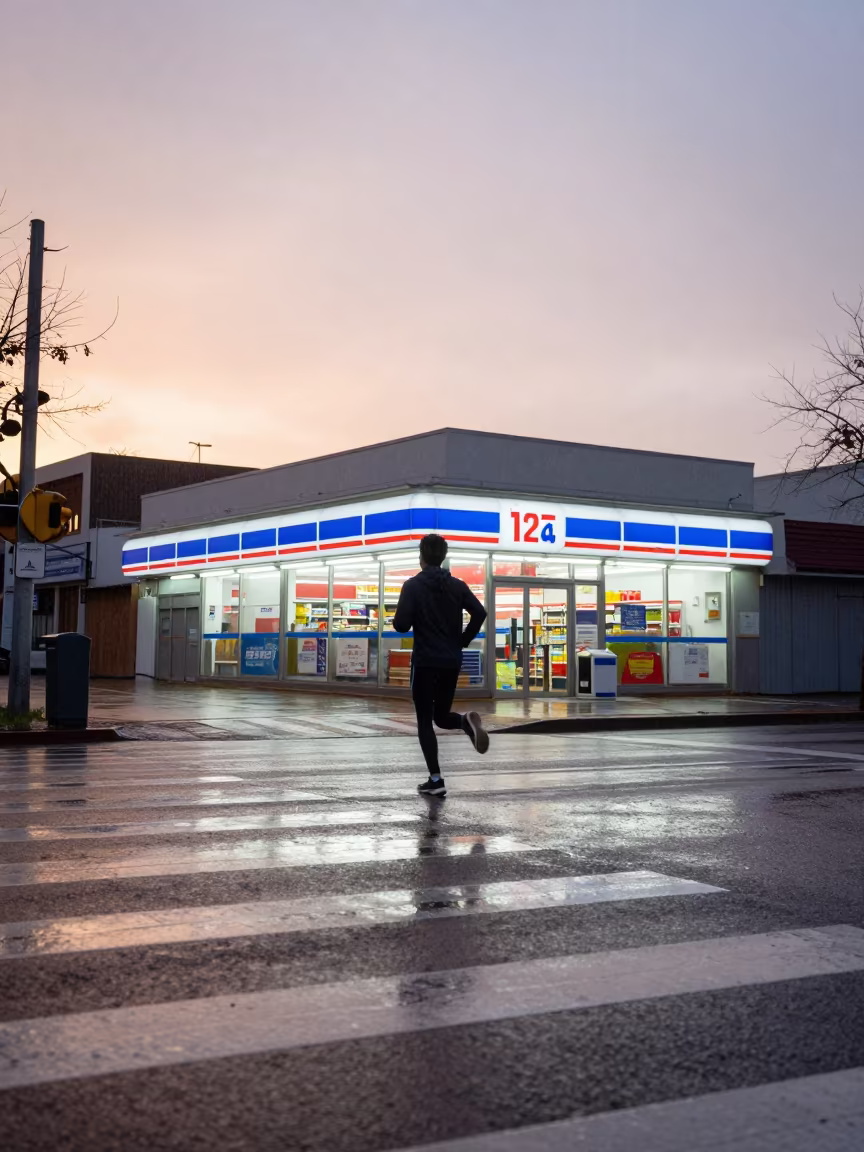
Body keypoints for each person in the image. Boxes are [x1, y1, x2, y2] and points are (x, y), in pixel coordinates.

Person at [393, 533, 489, 797]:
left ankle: (436, 779)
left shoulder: (413, 585)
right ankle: (465, 723)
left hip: (425, 661)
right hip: (450, 660)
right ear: (443, 557)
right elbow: (480, 613)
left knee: (425, 720)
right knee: (441, 716)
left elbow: (401, 625)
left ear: (421, 557)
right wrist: (462, 640)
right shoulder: (457, 585)